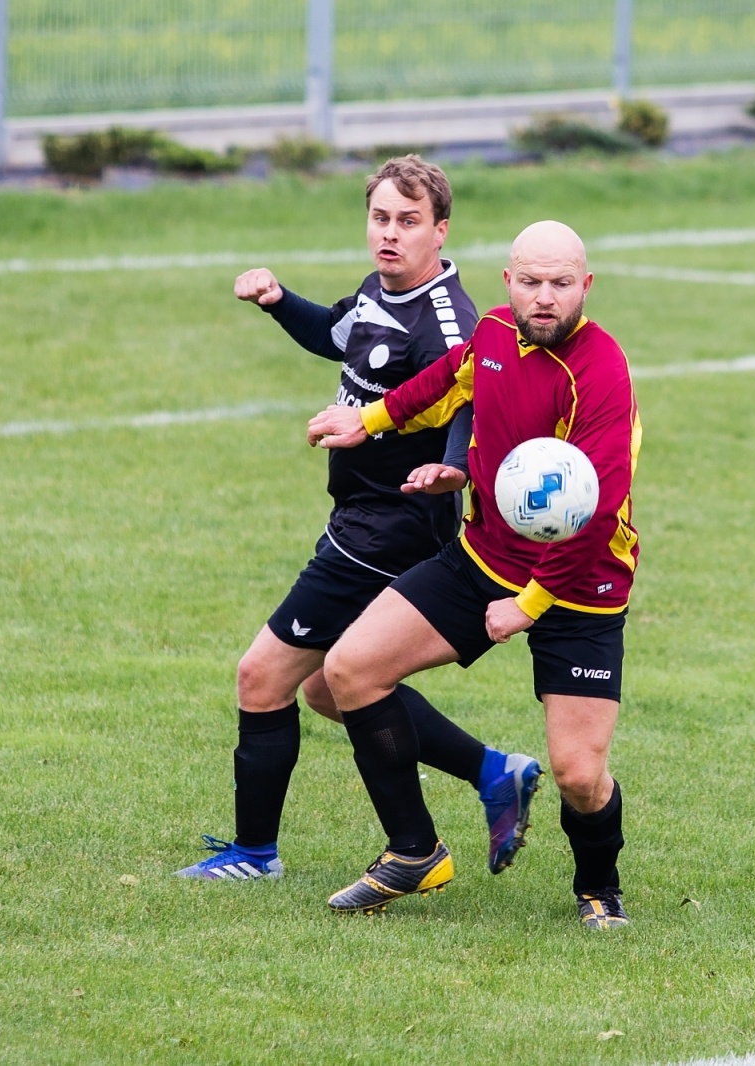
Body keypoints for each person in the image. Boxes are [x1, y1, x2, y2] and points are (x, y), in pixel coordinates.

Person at [177, 157, 543, 883]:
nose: (391, 234)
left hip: (390, 530)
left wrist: (454, 464)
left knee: (263, 676)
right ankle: (494, 770)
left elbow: (473, 399)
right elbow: (337, 335)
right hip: (361, 519)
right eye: (380, 218)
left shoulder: (446, 321)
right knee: (328, 687)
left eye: (408, 222)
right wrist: (278, 301)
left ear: (440, 230)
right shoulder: (382, 290)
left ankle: (256, 854)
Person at [306, 220, 641, 927]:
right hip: (483, 558)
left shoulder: (601, 370)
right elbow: (446, 382)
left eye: (559, 284)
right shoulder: (491, 334)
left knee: (580, 775)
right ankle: (413, 850)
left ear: (585, 285)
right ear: (508, 283)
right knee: (346, 673)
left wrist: (531, 603)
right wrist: (365, 420)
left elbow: (601, 507)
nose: (543, 298)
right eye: (530, 282)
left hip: (581, 584)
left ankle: (598, 888)